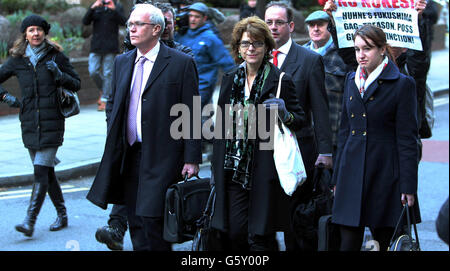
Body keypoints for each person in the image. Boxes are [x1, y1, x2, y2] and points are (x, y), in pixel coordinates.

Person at [86, 3, 201, 251]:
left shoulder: (181, 63)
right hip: (130, 155)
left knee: (154, 224)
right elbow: (115, 103)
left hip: (163, 156)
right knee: (136, 223)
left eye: (138, 24)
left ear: (157, 29)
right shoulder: (122, 61)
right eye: (130, 24)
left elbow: (191, 113)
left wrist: (192, 158)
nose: (131, 29)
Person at [210, 16, 305, 251]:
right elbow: (222, 127)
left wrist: (284, 113)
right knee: (235, 233)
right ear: (238, 48)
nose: (251, 48)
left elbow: (300, 120)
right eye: (245, 44)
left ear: (267, 47)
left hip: (266, 171)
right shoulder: (231, 79)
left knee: (260, 236)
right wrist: (216, 167)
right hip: (234, 172)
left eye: (257, 43)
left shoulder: (281, 79)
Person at [331, 25, 420, 251]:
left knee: (384, 243)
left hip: (385, 176)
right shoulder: (351, 80)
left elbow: (408, 140)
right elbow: (344, 132)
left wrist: (408, 186)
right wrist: (337, 178)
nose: (361, 54)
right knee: (347, 244)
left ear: (382, 50)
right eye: (357, 49)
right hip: (351, 173)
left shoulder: (402, 84)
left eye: (367, 49)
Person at [0, 14, 81, 237]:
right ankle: (63, 214)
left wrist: (59, 74)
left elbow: (76, 83)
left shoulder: (56, 56)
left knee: (39, 171)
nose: (35, 33)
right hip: (28, 122)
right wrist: (7, 98)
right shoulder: (17, 59)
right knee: (46, 172)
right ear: (25, 34)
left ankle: (29, 220)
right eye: (31, 30)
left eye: (39, 29)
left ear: (45, 32)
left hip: (53, 121)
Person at [264, 1, 333, 250]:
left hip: (297, 152)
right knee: (263, 221)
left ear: (291, 26)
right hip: (261, 152)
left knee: (296, 222)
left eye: (278, 22)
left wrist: (325, 151)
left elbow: (320, 110)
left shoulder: (309, 60)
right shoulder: (254, 56)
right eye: (268, 22)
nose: (272, 27)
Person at [303, 10, 351, 154]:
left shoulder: (344, 54)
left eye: (320, 24)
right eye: (312, 25)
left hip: (336, 137)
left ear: (330, 26)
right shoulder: (300, 54)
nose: (316, 29)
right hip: (305, 136)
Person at [175, 2, 234, 109]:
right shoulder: (181, 35)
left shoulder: (210, 38)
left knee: (194, 117)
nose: (193, 19)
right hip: (182, 86)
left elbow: (227, 63)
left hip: (202, 87)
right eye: (191, 16)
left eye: (197, 17)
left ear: (204, 18)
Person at [82, 0, 127, 111]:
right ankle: (104, 90)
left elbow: (124, 22)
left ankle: (105, 99)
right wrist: (92, 8)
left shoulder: (117, 6)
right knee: (93, 71)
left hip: (111, 46)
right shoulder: (96, 6)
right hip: (96, 45)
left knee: (108, 73)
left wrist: (114, 10)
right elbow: (85, 21)